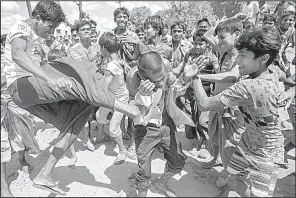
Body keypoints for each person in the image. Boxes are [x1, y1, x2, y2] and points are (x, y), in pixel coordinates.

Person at [3, 1, 143, 195]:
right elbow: (18, 55)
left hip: (29, 89)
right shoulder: (20, 26)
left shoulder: (34, 34)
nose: (51, 32)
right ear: (37, 18)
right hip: (21, 86)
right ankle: (129, 110)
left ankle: (45, 174)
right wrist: (49, 79)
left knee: (81, 112)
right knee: (78, 73)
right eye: (50, 27)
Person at [187, 26, 285, 197]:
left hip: (265, 154)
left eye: (243, 56)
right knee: (227, 173)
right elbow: (285, 77)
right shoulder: (271, 72)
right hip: (248, 142)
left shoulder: (248, 86)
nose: (238, 60)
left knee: (238, 183)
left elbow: (203, 103)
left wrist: (195, 76)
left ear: (264, 58)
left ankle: (229, 184)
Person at [126, 45, 187, 197]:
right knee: (144, 170)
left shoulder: (165, 67)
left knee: (178, 160)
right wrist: (142, 96)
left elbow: (176, 88)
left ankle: (162, 182)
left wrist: (186, 78)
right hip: (146, 129)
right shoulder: (133, 78)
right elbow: (134, 112)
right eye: (157, 80)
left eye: (162, 78)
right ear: (143, 77)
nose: (161, 82)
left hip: (167, 125)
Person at [197, 18, 246, 170]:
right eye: (218, 37)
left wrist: (199, 77)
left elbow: (232, 76)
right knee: (215, 137)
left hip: (231, 109)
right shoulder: (222, 50)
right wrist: (225, 22)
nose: (219, 40)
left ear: (236, 35)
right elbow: (205, 35)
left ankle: (227, 174)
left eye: (223, 37)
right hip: (216, 103)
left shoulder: (242, 55)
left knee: (229, 143)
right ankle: (215, 159)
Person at [176, 29, 219, 158]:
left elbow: (218, 72)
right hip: (189, 92)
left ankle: (205, 144)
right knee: (189, 117)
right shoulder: (190, 54)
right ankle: (194, 143)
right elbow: (182, 69)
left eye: (201, 44)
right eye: (195, 43)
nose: (197, 47)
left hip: (205, 93)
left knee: (203, 120)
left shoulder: (211, 57)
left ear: (207, 44)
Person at [99, 32, 131, 165]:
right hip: (115, 96)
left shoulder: (111, 67)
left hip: (119, 100)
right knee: (100, 114)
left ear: (104, 48)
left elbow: (103, 88)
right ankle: (101, 136)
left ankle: (123, 151)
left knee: (113, 128)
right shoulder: (117, 60)